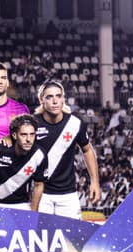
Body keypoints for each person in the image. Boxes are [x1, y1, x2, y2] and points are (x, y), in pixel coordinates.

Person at [33, 80, 101, 219]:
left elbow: (87, 150)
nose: (55, 101)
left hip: (68, 195)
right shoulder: (32, 123)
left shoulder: (75, 124)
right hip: (40, 194)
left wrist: (94, 182)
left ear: (63, 99)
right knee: (40, 239)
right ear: (41, 100)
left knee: (73, 240)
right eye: (49, 97)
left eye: (58, 96)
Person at [0, 114, 47, 211]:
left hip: (20, 204)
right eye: (23, 134)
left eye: (32, 134)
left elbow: (38, 186)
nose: (28, 139)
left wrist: (34, 214)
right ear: (15, 135)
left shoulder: (39, 154)